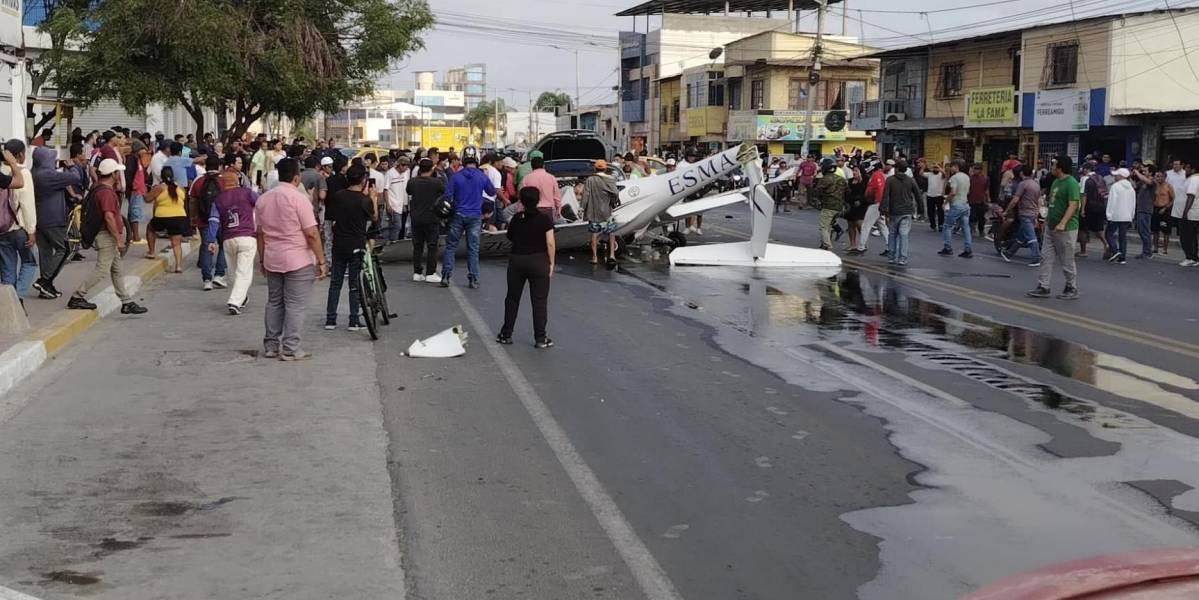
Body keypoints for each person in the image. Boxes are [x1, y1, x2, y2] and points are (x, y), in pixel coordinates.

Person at [256, 158, 327, 360]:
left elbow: (260, 234)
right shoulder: (299, 199)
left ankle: (271, 345)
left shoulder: (263, 199)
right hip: (298, 259)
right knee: (295, 305)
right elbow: (312, 233)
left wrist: (262, 259)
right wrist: (322, 261)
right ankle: (290, 348)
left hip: (272, 257)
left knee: (274, 302)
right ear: (297, 178)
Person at [67, 159, 147, 314]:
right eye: (118, 172)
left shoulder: (97, 187)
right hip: (106, 236)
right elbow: (108, 216)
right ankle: (77, 296)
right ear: (113, 174)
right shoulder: (106, 193)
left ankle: (126, 302)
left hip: (104, 234)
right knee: (102, 269)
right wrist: (118, 239)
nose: (119, 175)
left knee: (117, 269)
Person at [496, 187, 555, 349]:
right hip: (539, 260)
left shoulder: (516, 218)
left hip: (517, 260)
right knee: (539, 301)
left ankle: (506, 334)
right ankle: (541, 338)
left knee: (512, 298)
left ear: (521, 200)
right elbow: (550, 242)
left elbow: (510, 237)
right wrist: (551, 263)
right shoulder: (544, 219)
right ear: (538, 200)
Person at [324, 164, 376, 332]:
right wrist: (373, 198)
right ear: (363, 180)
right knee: (354, 284)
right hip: (356, 244)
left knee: (335, 283)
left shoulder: (339, 196)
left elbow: (332, 216)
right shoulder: (364, 200)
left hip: (339, 243)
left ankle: (330, 319)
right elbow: (374, 217)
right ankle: (353, 320)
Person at [205, 157, 259, 314]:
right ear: (237, 181)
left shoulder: (219, 199)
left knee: (234, 272)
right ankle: (235, 302)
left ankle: (242, 298)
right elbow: (261, 204)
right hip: (247, 236)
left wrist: (210, 240)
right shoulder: (248, 193)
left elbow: (213, 221)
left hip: (228, 239)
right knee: (244, 272)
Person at [1028, 155, 1080, 300]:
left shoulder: (1072, 183)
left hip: (1066, 228)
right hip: (1051, 226)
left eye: (1054, 165)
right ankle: (1043, 286)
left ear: (1060, 167)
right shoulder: (1056, 181)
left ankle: (1071, 287)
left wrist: (1063, 222)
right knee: (1046, 257)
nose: (1052, 167)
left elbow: (1073, 204)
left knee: (1067, 259)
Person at [441, 155, 494, 289]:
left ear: (463, 162)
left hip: (458, 214)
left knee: (451, 246)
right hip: (475, 216)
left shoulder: (456, 176)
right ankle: (473, 278)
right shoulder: (481, 176)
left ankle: (446, 275)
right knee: (473, 248)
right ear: (476, 162)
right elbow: (492, 191)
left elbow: (447, 195)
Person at [0, 141, 37, 299]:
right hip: (18, 228)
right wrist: (31, 230)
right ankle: (17, 298)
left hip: (2, 229)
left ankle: (8, 304)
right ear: (20, 155)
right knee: (29, 263)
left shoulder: (1, 171)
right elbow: (27, 204)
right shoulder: (22, 173)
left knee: (8, 270)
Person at [189, 155, 228, 289]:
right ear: (219, 166)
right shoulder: (224, 181)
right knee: (223, 246)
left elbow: (192, 200)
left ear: (205, 166)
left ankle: (207, 280)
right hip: (222, 220)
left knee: (206, 247)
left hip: (203, 219)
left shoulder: (198, 181)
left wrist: (193, 218)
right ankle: (219, 274)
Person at [145, 166, 189, 272]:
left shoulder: (159, 188)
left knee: (150, 229)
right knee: (176, 243)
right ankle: (178, 266)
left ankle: (151, 252)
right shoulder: (180, 188)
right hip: (179, 217)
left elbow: (147, 199)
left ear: (161, 176)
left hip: (162, 217)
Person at [407, 159, 445, 283]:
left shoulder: (412, 182)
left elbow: (408, 192)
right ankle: (430, 272)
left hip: (416, 217)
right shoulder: (436, 182)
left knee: (417, 246)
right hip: (431, 218)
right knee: (432, 246)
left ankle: (417, 272)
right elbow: (444, 192)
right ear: (431, 169)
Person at [579, 159, 620, 264]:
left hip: (593, 211)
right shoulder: (610, 179)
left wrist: (581, 208)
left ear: (595, 168)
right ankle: (612, 255)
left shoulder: (590, 180)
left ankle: (595, 257)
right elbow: (615, 193)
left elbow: (586, 195)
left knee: (594, 234)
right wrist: (613, 202)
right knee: (611, 233)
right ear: (605, 168)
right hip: (607, 211)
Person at [1000, 165, 1042, 267]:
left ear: (1021, 173)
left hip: (1025, 214)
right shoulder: (1036, 184)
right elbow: (1039, 200)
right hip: (1032, 213)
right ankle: (1008, 253)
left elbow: (1015, 200)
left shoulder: (1023, 184)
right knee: (1021, 237)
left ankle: (1036, 258)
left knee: (1031, 237)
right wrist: (1037, 212)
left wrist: (1006, 211)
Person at [881, 158, 919, 266]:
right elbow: (917, 195)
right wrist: (920, 209)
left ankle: (892, 257)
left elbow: (885, 195)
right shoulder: (910, 180)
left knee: (892, 234)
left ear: (896, 169)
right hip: (907, 211)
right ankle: (903, 258)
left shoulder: (890, 180)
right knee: (904, 234)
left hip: (894, 211)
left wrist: (883, 209)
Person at [853, 159, 889, 256]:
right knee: (882, 226)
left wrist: (879, 203)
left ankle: (861, 247)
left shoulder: (877, 175)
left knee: (866, 225)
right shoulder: (879, 174)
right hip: (878, 203)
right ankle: (890, 246)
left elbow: (880, 190)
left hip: (876, 204)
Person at [938, 159, 973, 258]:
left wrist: (945, 202)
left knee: (947, 226)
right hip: (965, 205)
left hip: (956, 205)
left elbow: (953, 192)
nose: (951, 168)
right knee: (966, 228)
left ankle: (947, 247)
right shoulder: (967, 177)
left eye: (952, 166)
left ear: (956, 166)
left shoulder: (954, 178)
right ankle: (968, 249)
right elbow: (968, 191)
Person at [1076, 163, 1109, 258]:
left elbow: (1084, 195)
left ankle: (1083, 251)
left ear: (1086, 169)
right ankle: (1106, 244)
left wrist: (1082, 209)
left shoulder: (1085, 179)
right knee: (1099, 229)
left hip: (1088, 207)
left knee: (1083, 229)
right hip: (1100, 207)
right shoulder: (1101, 178)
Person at [814, 158, 846, 250]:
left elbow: (817, 192)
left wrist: (817, 200)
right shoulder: (841, 179)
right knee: (830, 226)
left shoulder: (825, 179)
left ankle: (828, 245)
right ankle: (824, 244)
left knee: (824, 227)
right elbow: (848, 191)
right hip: (840, 207)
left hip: (829, 206)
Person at [520, 155, 561, 221]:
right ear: (543, 165)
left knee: (533, 230)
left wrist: (521, 210)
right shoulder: (551, 178)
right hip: (548, 210)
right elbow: (556, 196)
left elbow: (522, 196)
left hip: (531, 210)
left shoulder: (526, 178)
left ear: (531, 166)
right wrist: (558, 209)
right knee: (547, 230)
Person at [1130, 166, 1157, 260]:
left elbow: (1148, 181)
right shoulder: (1142, 182)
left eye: (1145, 171)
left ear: (1151, 173)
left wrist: (1137, 172)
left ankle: (1148, 252)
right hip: (1140, 209)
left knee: (1145, 231)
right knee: (1141, 231)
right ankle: (1145, 251)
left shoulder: (1153, 182)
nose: (1143, 172)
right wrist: (1129, 177)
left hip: (1146, 209)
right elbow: (1134, 186)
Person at [385, 155, 411, 241]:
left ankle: (396, 241)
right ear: (400, 165)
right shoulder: (390, 173)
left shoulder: (405, 173)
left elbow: (404, 189)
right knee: (397, 225)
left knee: (400, 225)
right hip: (393, 204)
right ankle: (392, 242)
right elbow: (385, 190)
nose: (406, 168)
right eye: (405, 166)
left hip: (402, 203)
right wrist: (388, 204)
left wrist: (405, 203)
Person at [844, 164, 869, 251]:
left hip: (861, 206)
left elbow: (866, 194)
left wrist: (860, 200)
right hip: (851, 205)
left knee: (859, 224)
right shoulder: (850, 181)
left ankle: (863, 243)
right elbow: (846, 193)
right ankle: (852, 244)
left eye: (856, 171)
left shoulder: (865, 181)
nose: (854, 172)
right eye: (853, 171)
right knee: (850, 225)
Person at [1152, 168, 1176, 255]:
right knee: (1155, 230)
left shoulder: (1168, 186)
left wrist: (1165, 208)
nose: (1158, 178)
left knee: (1166, 231)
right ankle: (1155, 248)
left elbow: (1173, 199)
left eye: (1160, 176)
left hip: (1165, 209)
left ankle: (1165, 249)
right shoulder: (1154, 185)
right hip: (1155, 209)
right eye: (1157, 176)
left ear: (1165, 177)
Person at [1180, 166, 1199, 267]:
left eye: (1187, 168)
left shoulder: (1194, 180)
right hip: (1196, 213)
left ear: (1193, 170)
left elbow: (1191, 196)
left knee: (1186, 237)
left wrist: (1185, 213)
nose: (1185, 170)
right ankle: (1195, 257)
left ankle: (1190, 257)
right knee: (1193, 237)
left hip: (1191, 214)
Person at [968, 163, 991, 239]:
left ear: (980, 170)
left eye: (976, 169)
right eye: (974, 168)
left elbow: (986, 190)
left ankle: (981, 230)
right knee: (972, 216)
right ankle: (972, 229)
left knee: (981, 217)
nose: (974, 170)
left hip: (981, 200)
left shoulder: (985, 178)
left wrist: (988, 199)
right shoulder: (970, 178)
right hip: (972, 199)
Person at [923, 162, 946, 231]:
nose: (935, 169)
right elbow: (921, 173)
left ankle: (941, 225)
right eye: (934, 168)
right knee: (930, 211)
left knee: (940, 211)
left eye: (936, 168)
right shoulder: (929, 174)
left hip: (939, 195)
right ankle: (933, 225)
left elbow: (945, 174)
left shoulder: (941, 175)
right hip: (930, 195)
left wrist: (938, 167)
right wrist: (925, 167)